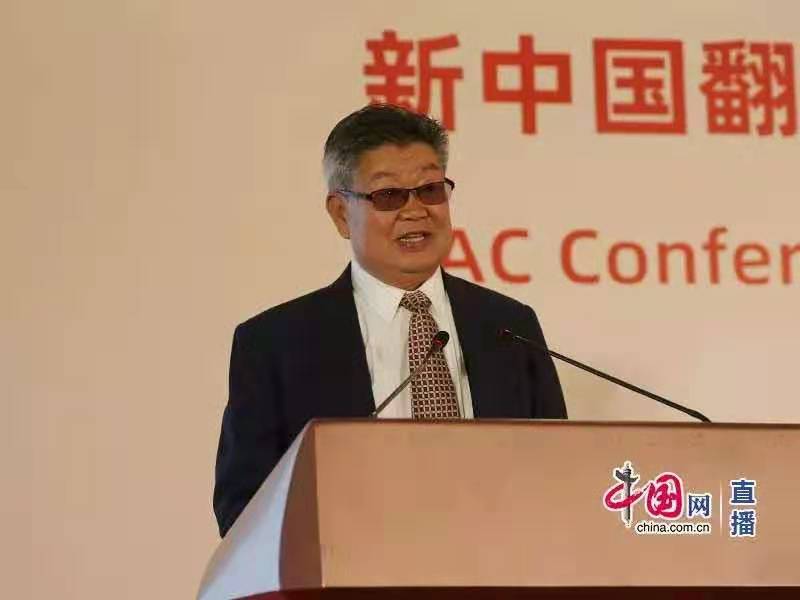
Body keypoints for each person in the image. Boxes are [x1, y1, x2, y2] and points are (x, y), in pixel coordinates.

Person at [213, 104, 566, 537]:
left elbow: (559, 476)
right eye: (388, 196)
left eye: (430, 190)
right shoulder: (275, 344)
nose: (415, 210)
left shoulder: (510, 327)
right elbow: (242, 509)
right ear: (341, 213)